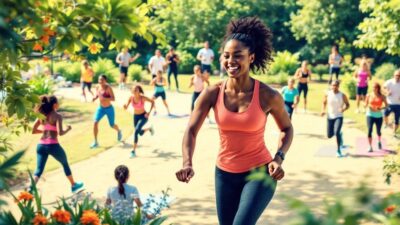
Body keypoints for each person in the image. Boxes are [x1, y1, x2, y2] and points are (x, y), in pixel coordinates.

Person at [176, 17, 293, 225]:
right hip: (224, 174)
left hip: (259, 172)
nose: (231, 61)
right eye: (226, 56)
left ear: (251, 57)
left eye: (238, 56)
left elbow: (286, 128)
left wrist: (278, 158)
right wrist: (187, 162)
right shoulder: (211, 93)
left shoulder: (268, 95)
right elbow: (191, 130)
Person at [31, 95, 84, 193]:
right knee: (65, 163)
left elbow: (33, 130)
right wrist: (68, 129)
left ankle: (30, 189)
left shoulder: (41, 115)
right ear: (55, 105)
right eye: (58, 102)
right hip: (53, 146)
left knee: (38, 170)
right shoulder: (57, 116)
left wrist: (44, 131)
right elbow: (60, 133)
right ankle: (73, 185)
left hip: (41, 146)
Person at [91, 75, 122, 148]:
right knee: (95, 122)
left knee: (112, 125)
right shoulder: (97, 87)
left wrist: (105, 98)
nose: (100, 81)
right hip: (101, 108)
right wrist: (95, 98)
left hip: (109, 109)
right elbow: (98, 95)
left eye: (102, 80)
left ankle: (119, 131)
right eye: (99, 80)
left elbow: (113, 98)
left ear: (105, 80)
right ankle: (95, 142)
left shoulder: (108, 88)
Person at [123, 85, 155, 158]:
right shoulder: (131, 98)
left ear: (139, 91)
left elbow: (152, 102)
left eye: (136, 90)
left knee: (136, 131)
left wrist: (149, 113)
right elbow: (126, 107)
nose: (134, 91)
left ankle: (133, 151)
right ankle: (149, 128)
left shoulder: (142, 98)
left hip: (143, 116)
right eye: (133, 90)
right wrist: (125, 106)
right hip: (136, 117)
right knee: (139, 133)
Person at [321, 80, 350, 157]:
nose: (334, 87)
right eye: (332, 85)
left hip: (339, 116)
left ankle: (338, 150)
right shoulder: (328, 94)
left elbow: (347, 104)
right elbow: (324, 102)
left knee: (336, 132)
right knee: (329, 135)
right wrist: (323, 110)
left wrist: (343, 109)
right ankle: (340, 134)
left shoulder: (342, 95)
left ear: (338, 86)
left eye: (335, 85)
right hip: (330, 116)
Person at [365, 82, 387, 152]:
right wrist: (369, 106)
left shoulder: (382, 96)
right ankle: (370, 146)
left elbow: (386, 105)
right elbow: (365, 104)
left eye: (375, 87)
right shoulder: (369, 95)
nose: (374, 89)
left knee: (378, 131)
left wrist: (381, 108)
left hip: (379, 116)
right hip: (370, 115)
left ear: (378, 88)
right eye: (373, 87)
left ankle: (379, 141)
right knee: (369, 130)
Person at [383, 69, 400, 137]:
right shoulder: (389, 82)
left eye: (399, 75)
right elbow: (383, 88)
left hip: (398, 104)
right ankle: (386, 124)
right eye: (396, 75)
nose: (398, 77)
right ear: (394, 75)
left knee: (397, 119)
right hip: (389, 103)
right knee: (385, 115)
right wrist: (387, 92)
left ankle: (394, 132)